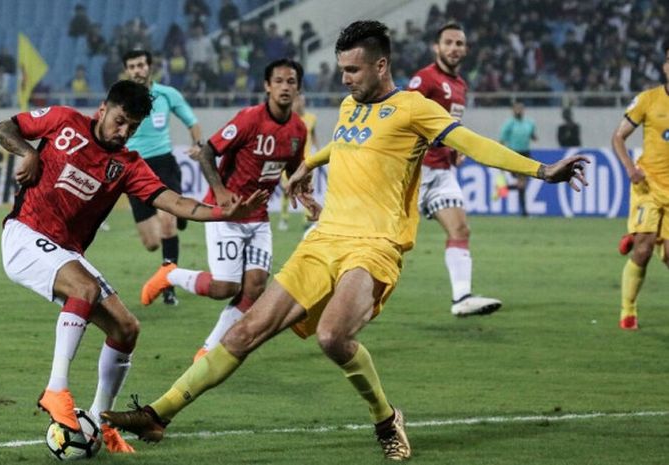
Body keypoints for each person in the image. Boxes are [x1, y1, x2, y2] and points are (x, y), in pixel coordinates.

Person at [101, 21, 587, 461]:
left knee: (333, 336)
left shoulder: (416, 108)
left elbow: (473, 143)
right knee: (244, 332)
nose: (345, 79)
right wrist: (308, 166)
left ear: (381, 64)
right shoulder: (349, 105)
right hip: (323, 238)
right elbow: (347, 143)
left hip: (375, 246)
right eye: (341, 70)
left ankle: (385, 419)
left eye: (353, 70)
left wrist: (541, 169)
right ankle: (159, 415)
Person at [0, 80, 265, 453]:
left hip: (66, 252)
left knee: (126, 328)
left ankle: (103, 422)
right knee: (85, 290)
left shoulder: (126, 165)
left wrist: (224, 212)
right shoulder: (62, 121)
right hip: (25, 235)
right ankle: (56, 388)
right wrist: (28, 152)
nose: (124, 133)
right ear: (103, 109)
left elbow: (175, 203)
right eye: (120, 121)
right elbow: (4, 127)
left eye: (133, 127)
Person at [138, 59, 313, 362]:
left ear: (298, 87)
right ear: (267, 86)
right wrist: (220, 193)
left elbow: (294, 168)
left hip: (258, 218)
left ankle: (208, 350)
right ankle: (171, 274)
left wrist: (303, 191)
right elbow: (207, 153)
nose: (286, 87)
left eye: (292, 81)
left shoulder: (298, 129)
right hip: (226, 215)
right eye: (280, 81)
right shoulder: (248, 119)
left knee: (255, 286)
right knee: (225, 287)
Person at [408, 22, 501, 317]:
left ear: (466, 50)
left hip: (441, 172)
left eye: (459, 44)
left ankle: (461, 297)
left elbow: (449, 127)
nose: (453, 48)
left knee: (460, 228)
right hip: (415, 171)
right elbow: (405, 116)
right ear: (436, 47)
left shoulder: (461, 85)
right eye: (448, 42)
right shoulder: (424, 79)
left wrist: (454, 147)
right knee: (388, 241)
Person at [122, 49, 203, 306]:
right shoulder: (121, 98)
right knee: (152, 243)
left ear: (149, 67)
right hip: (134, 170)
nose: (137, 70)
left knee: (167, 224)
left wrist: (198, 144)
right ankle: (179, 215)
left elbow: (192, 121)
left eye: (141, 65)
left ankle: (169, 286)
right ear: (127, 71)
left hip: (163, 165)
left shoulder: (167, 94)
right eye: (132, 66)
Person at [611, 43, 669, 330]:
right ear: (664, 66)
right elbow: (618, 137)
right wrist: (630, 169)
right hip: (648, 185)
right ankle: (628, 312)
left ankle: (645, 235)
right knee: (643, 251)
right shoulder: (648, 100)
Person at [278, 92, 320, 232]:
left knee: (306, 190)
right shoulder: (287, 119)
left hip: (307, 162)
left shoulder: (311, 118)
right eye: (297, 101)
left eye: (301, 101)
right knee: (287, 190)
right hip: (289, 161)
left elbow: (313, 136)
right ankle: (284, 218)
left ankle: (306, 221)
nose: (299, 103)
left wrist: (318, 152)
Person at [499, 101, 537, 216]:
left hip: (526, 153)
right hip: (514, 154)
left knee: (522, 184)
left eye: (521, 108)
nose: (519, 111)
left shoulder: (530, 123)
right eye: (516, 109)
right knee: (521, 183)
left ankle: (503, 189)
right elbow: (502, 140)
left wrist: (534, 137)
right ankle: (524, 211)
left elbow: (532, 135)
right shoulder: (509, 124)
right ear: (513, 110)